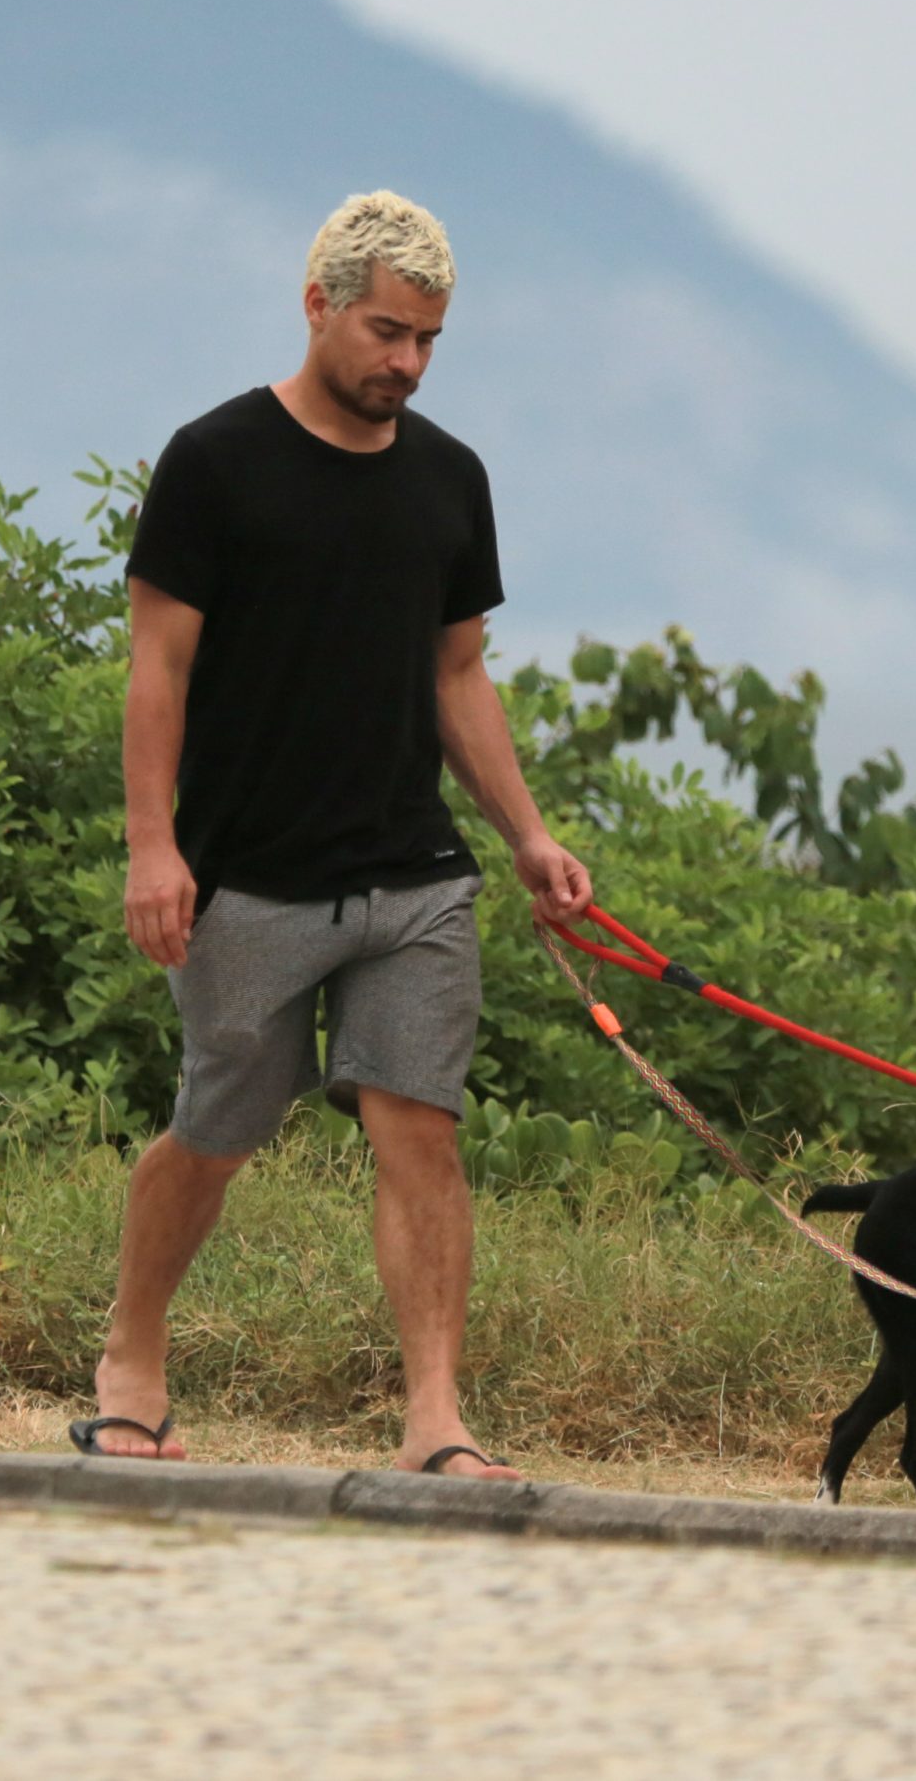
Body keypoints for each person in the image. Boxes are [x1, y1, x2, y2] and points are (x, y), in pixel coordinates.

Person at [79, 190, 592, 1478]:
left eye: (427, 341)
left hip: (413, 875)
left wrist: (525, 835)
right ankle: (132, 1357)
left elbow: (459, 674)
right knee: (218, 1128)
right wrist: (155, 848)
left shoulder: (449, 477)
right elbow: (157, 670)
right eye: (385, 332)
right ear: (317, 307)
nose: (406, 364)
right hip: (250, 877)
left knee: (419, 1123)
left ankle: (436, 1420)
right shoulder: (215, 461)